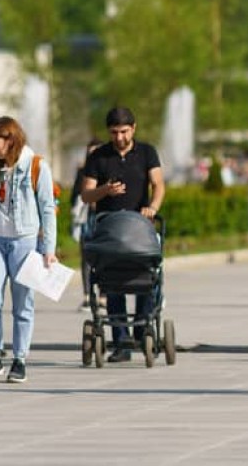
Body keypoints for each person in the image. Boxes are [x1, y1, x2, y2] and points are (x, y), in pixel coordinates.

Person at [0, 117, 57, 383]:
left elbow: (47, 208)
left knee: (23, 303)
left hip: (24, 240)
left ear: (9, 138)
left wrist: (48, 248)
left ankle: (20, 359)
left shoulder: (36, 166)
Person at [81, 107, 165, 363]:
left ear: (134, 129)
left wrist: (152, 207)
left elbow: (158, 184)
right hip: (110, 228)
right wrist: (105, 190)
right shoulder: (99, 157)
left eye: (124, 132)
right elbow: (86, 194)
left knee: (147, 276)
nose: (119, 137)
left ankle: (143, 328)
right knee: (112, 279)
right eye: (114, 132)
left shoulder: (147, 153)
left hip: (140, 226)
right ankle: (121, 340)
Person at [70, 138, 103, 312]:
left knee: (106, 256)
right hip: (88, 219)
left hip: (104, 217)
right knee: (86, 258)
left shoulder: (107, 167)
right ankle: (87, 296)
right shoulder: (83, 171)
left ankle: (104, 296)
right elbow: (75, 194)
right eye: (91, 151)